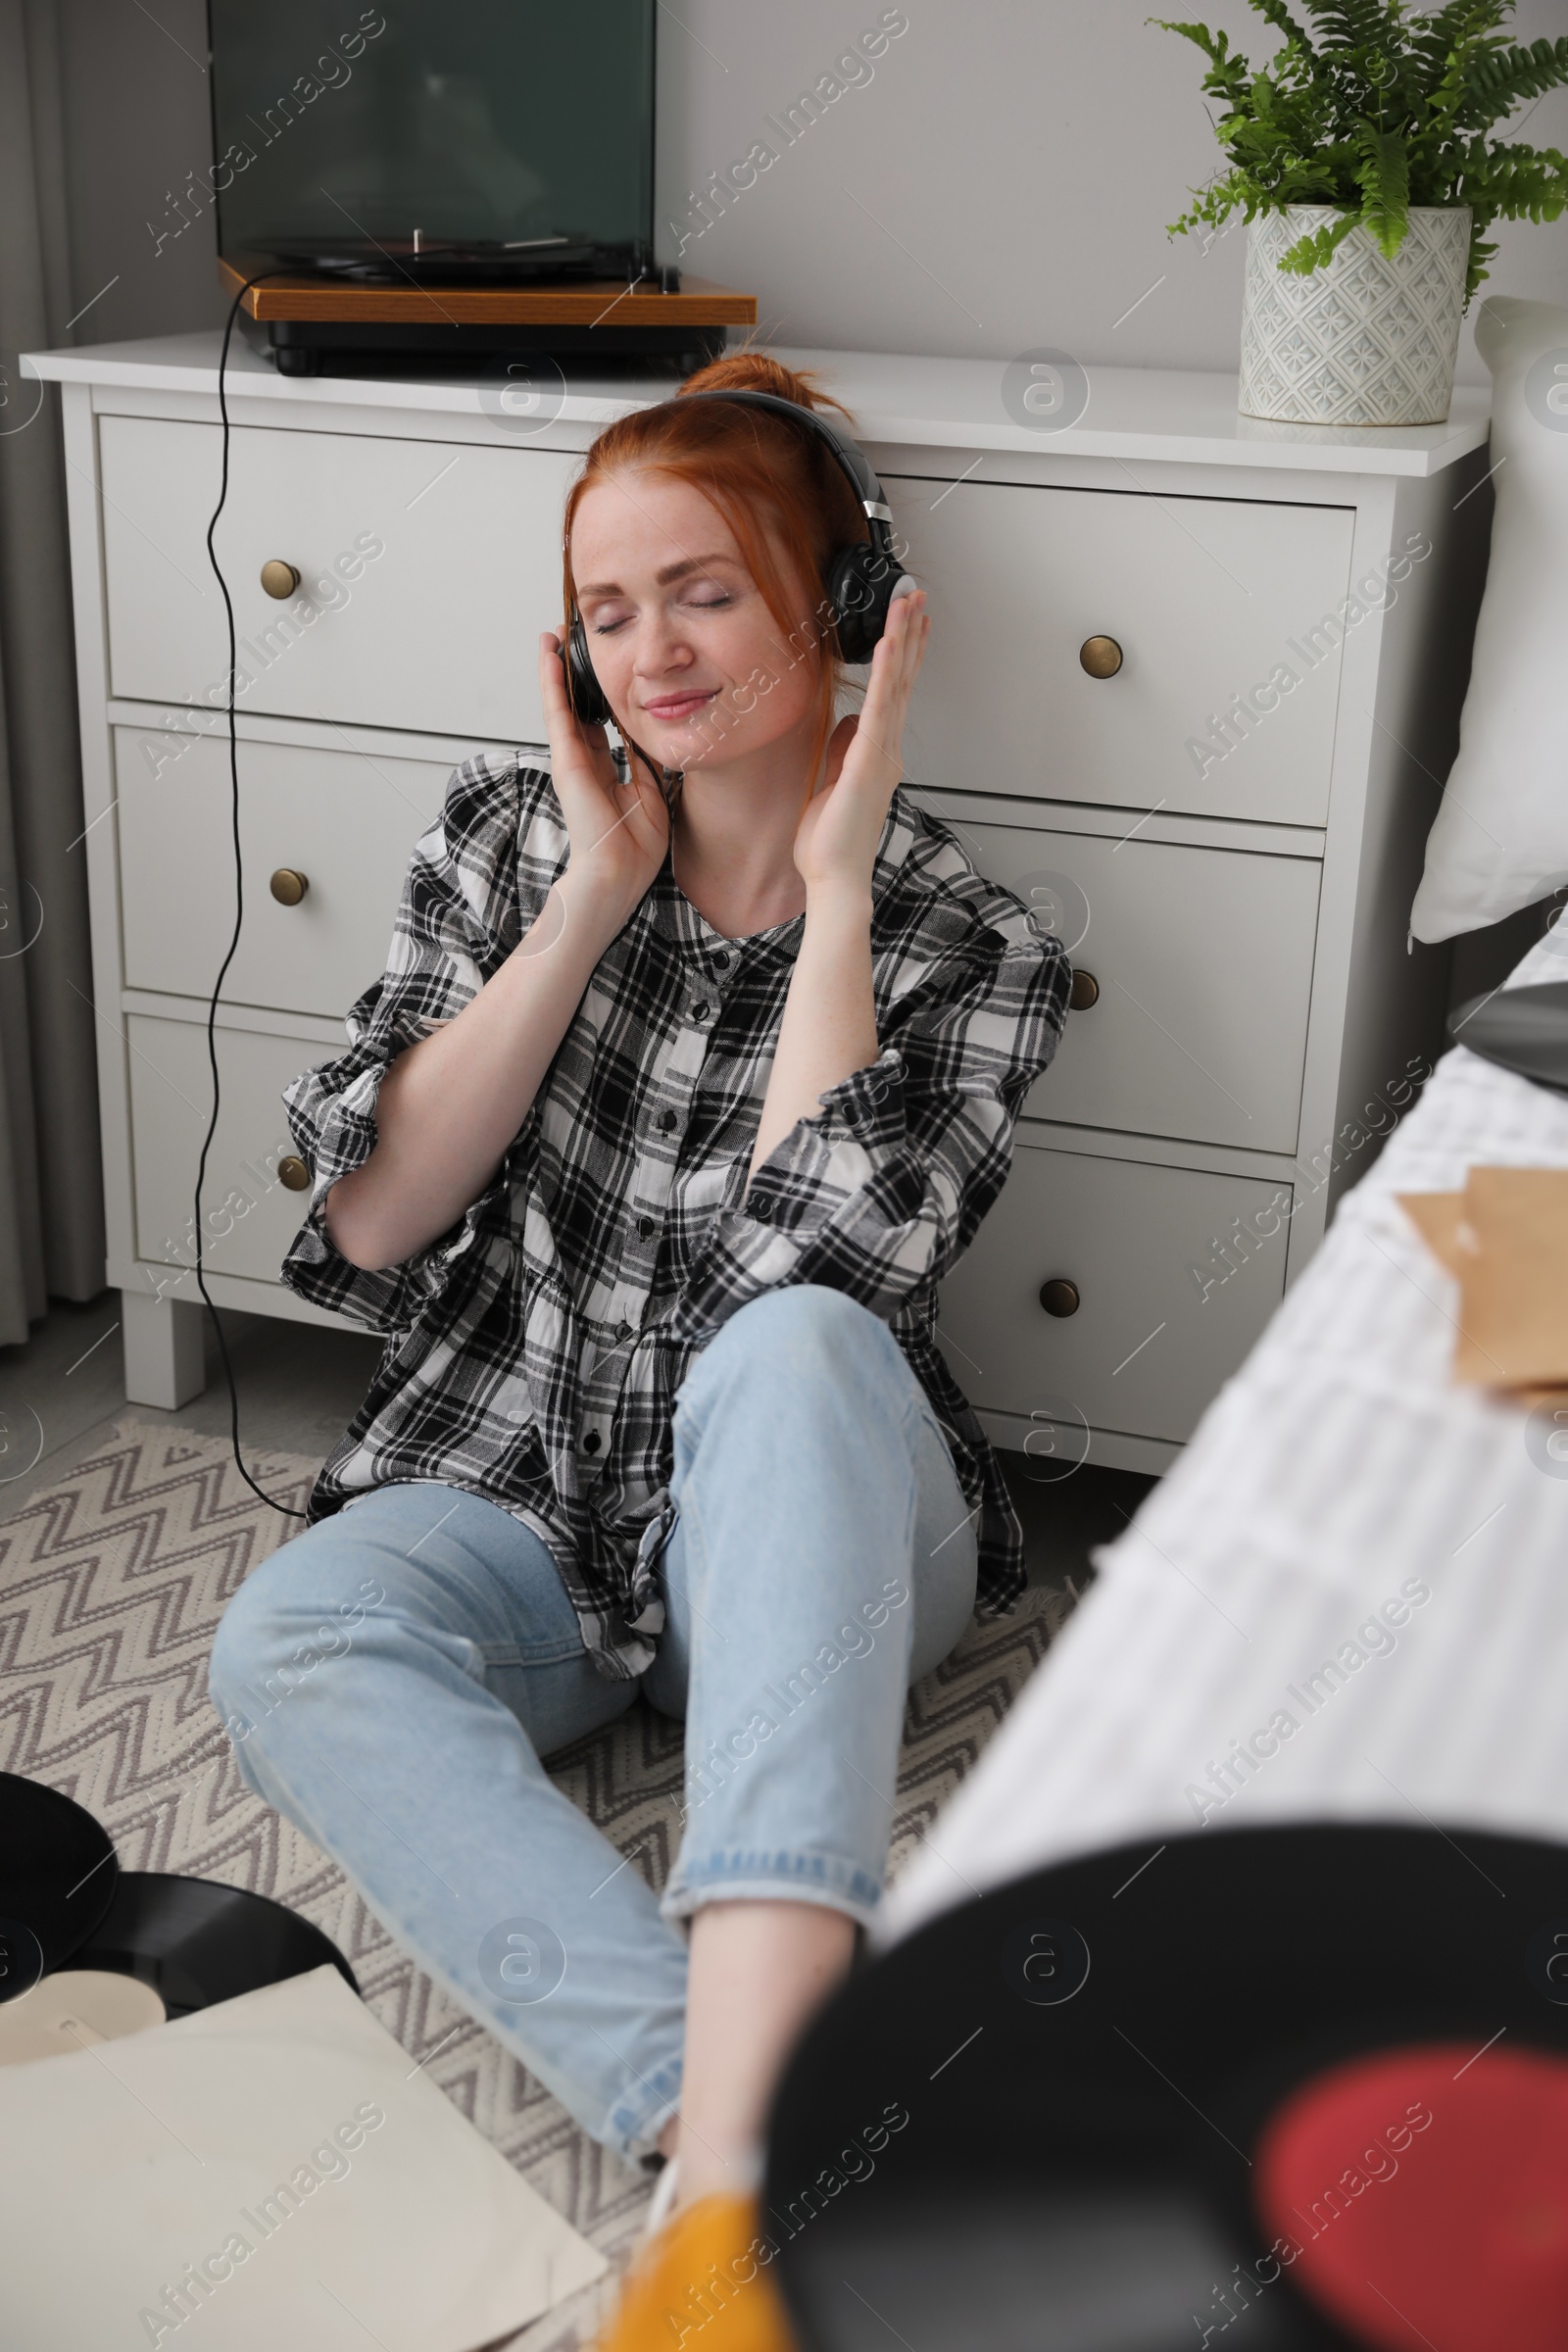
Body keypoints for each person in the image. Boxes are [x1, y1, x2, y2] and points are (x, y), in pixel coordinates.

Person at [207, 349, 1070, 2344]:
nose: (650, 650)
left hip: (821, 1514)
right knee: (288, 1640)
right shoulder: (509, 846)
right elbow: (370, 1219)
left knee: (778, 1346)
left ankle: (754, 2136)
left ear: (841, 608)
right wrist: (593, 893)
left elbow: (814, 1260)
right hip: (515, 1477)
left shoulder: (962, 937)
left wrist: (834, 888)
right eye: (607, 609)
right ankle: (728, 2114)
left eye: (702, 588)